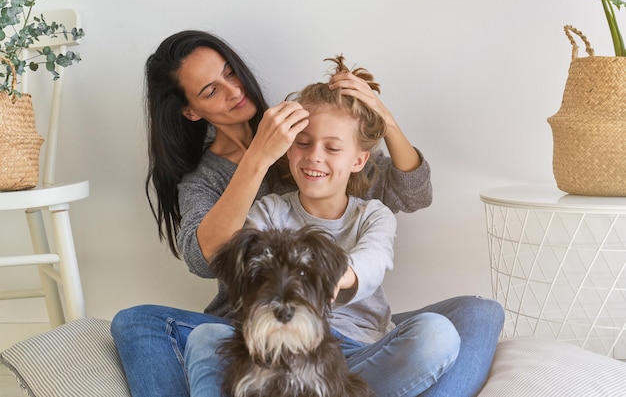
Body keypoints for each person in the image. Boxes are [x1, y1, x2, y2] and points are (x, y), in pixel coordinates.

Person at [110, 30, 504, 397]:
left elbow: (414, 194)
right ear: (191, 111)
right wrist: (260, 158)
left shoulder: (310, 130)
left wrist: (382, 117)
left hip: (351, 333)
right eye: (212, 90)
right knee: (137, 323)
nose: (234, 91)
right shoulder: (211, 180)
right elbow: (207, 258)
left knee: (478, 314)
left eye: (231, 72)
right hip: (259, 331)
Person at [183, 55, 461, 396]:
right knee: (202, 336)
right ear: (286, 149)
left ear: (360, 160)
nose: (315, 155)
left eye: (332, 147)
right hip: (279, 346)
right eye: (303, 143)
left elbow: (375, 257)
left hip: (360, 347)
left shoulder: (373, 214)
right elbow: (227, 254)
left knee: (443, 331)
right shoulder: (268, 210)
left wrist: (333, 276)